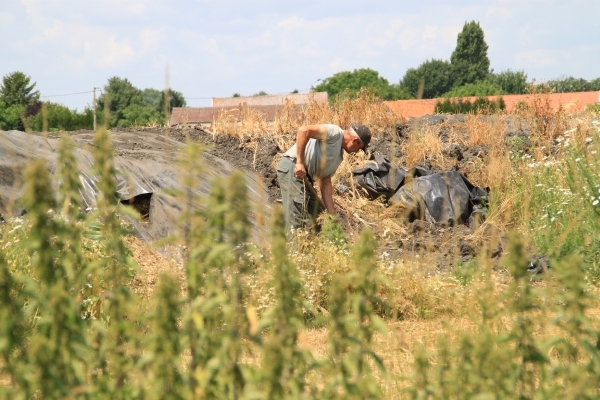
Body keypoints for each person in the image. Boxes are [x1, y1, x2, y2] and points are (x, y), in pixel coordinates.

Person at [276, 123, 371, 232]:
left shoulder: (338, 156)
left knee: (316, 217)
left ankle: (312, 245)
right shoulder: (334, 133)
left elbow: (325, 183)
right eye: (359, 148)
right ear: (354, 141)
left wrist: (332, 214)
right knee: (298, 216)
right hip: (293, 168)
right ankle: (293, 247)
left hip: (306, 178)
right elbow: (303, 130)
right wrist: (300, 163)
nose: (357, 152)